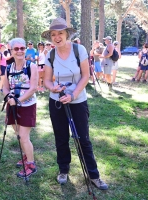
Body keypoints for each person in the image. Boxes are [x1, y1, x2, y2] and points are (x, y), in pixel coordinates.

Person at [41, 17, 108, 190]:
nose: (57, 37)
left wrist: (73, 95)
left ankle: (94, 175)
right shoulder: (51, 54)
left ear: (67, 34)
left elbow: (85, 76)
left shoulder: (79, 50)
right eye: (53, 34)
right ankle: (63, 170)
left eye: (60, 33)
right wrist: (53, 88)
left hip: (78, 101)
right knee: (61, 137)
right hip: (57, 102)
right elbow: (46, 81)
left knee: (83, 138)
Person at [2, 37, 38, 178]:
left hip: (27, 105)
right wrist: (9, 98)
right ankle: (25, 155)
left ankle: (31, 164)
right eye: (16, 49)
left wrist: (17, 100)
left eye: (22, 48)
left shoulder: (31, 66)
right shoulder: (8, 68)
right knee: (18, 134)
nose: (20, 51)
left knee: (24, 136)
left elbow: (33, 88)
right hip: (12, 105)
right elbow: (5, 88)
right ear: (11, 50)